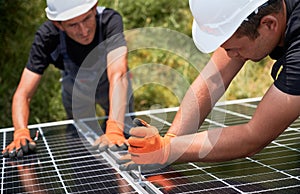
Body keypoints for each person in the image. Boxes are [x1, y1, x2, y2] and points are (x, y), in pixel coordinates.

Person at [120, 0, 300, 170]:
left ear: (269, 24)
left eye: (233, 49)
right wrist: (170, 141)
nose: (229, 56)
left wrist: (168, 150)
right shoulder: (260, 15)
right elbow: (214, 79)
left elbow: (253, 136)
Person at [2, 0, 134, 159]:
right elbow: (23, 93)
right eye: (73, 25)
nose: (84, 31)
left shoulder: (110, 21)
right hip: (75, 89)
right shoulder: (47, 37)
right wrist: (20, 131)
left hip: (113, 85)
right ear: (58, 25)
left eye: (87, 19)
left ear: (94, 8)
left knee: (124, 133)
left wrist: (114, 129)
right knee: (80, 139)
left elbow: (118, 74)